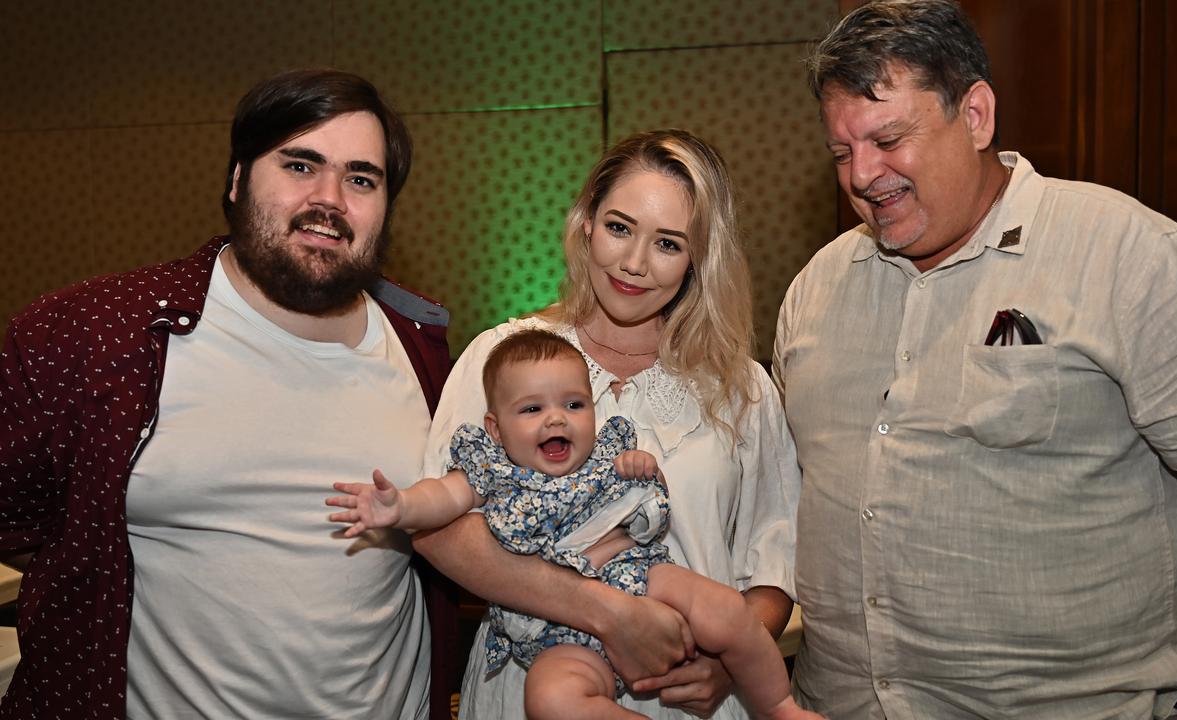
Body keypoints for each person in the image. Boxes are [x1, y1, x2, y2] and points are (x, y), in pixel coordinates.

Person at [772, 1, 1177, 718]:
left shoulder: (1132, 258)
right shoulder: (815, 288)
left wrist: (1124, 583)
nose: (863, 175)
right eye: (841, 152)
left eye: (888, 138)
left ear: (975, 114)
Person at [0, 69, 457, 719]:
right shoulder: (96, 336)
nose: (329, 199)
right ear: (238, 178)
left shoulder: (424, 351)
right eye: (300, 165)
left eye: (361, 179)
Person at [414, 129, 802, 719]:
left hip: (691, 698)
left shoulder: (741, 388)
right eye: (620, 228)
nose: (635, 264)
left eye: (668, 243)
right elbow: (440, 530)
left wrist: (728, 663)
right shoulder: (505, 358)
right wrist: (608, 612)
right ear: (587, 222)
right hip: (534, 688)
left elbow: (772, 557)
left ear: (700, 257)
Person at [329, 329, 820, 720]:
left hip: (641, 575)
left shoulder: (607, 452)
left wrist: (638, 465)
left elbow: (680, 517)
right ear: (496, 429)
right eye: (532, 409)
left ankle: (779, 706)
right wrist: (400, 508)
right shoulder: (492, 470)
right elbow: (442, 498)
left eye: (573, 405)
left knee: (726, 612)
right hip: (555, 631)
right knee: (551, 700)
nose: (556, 420)